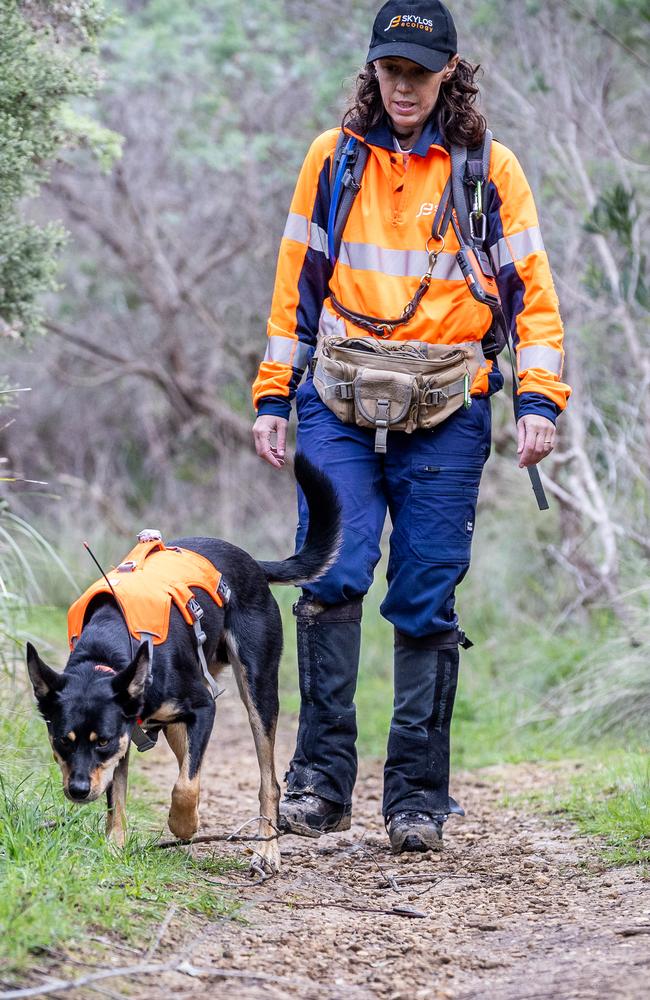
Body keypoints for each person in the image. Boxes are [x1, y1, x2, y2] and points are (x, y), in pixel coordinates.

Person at [251, 0, 570, 853]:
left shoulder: (488, 169)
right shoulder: (334, 159)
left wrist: (538, 400)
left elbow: (533, 298)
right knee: (331, 573)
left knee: (426, 592)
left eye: (419, 75)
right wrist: (273, 396)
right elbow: (296, 287)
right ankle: (319, 782)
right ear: (373, 72)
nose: (403, 87)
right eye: (391, 71)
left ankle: (417, 799)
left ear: (447, 77)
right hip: (337, 402)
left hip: (450, 407)